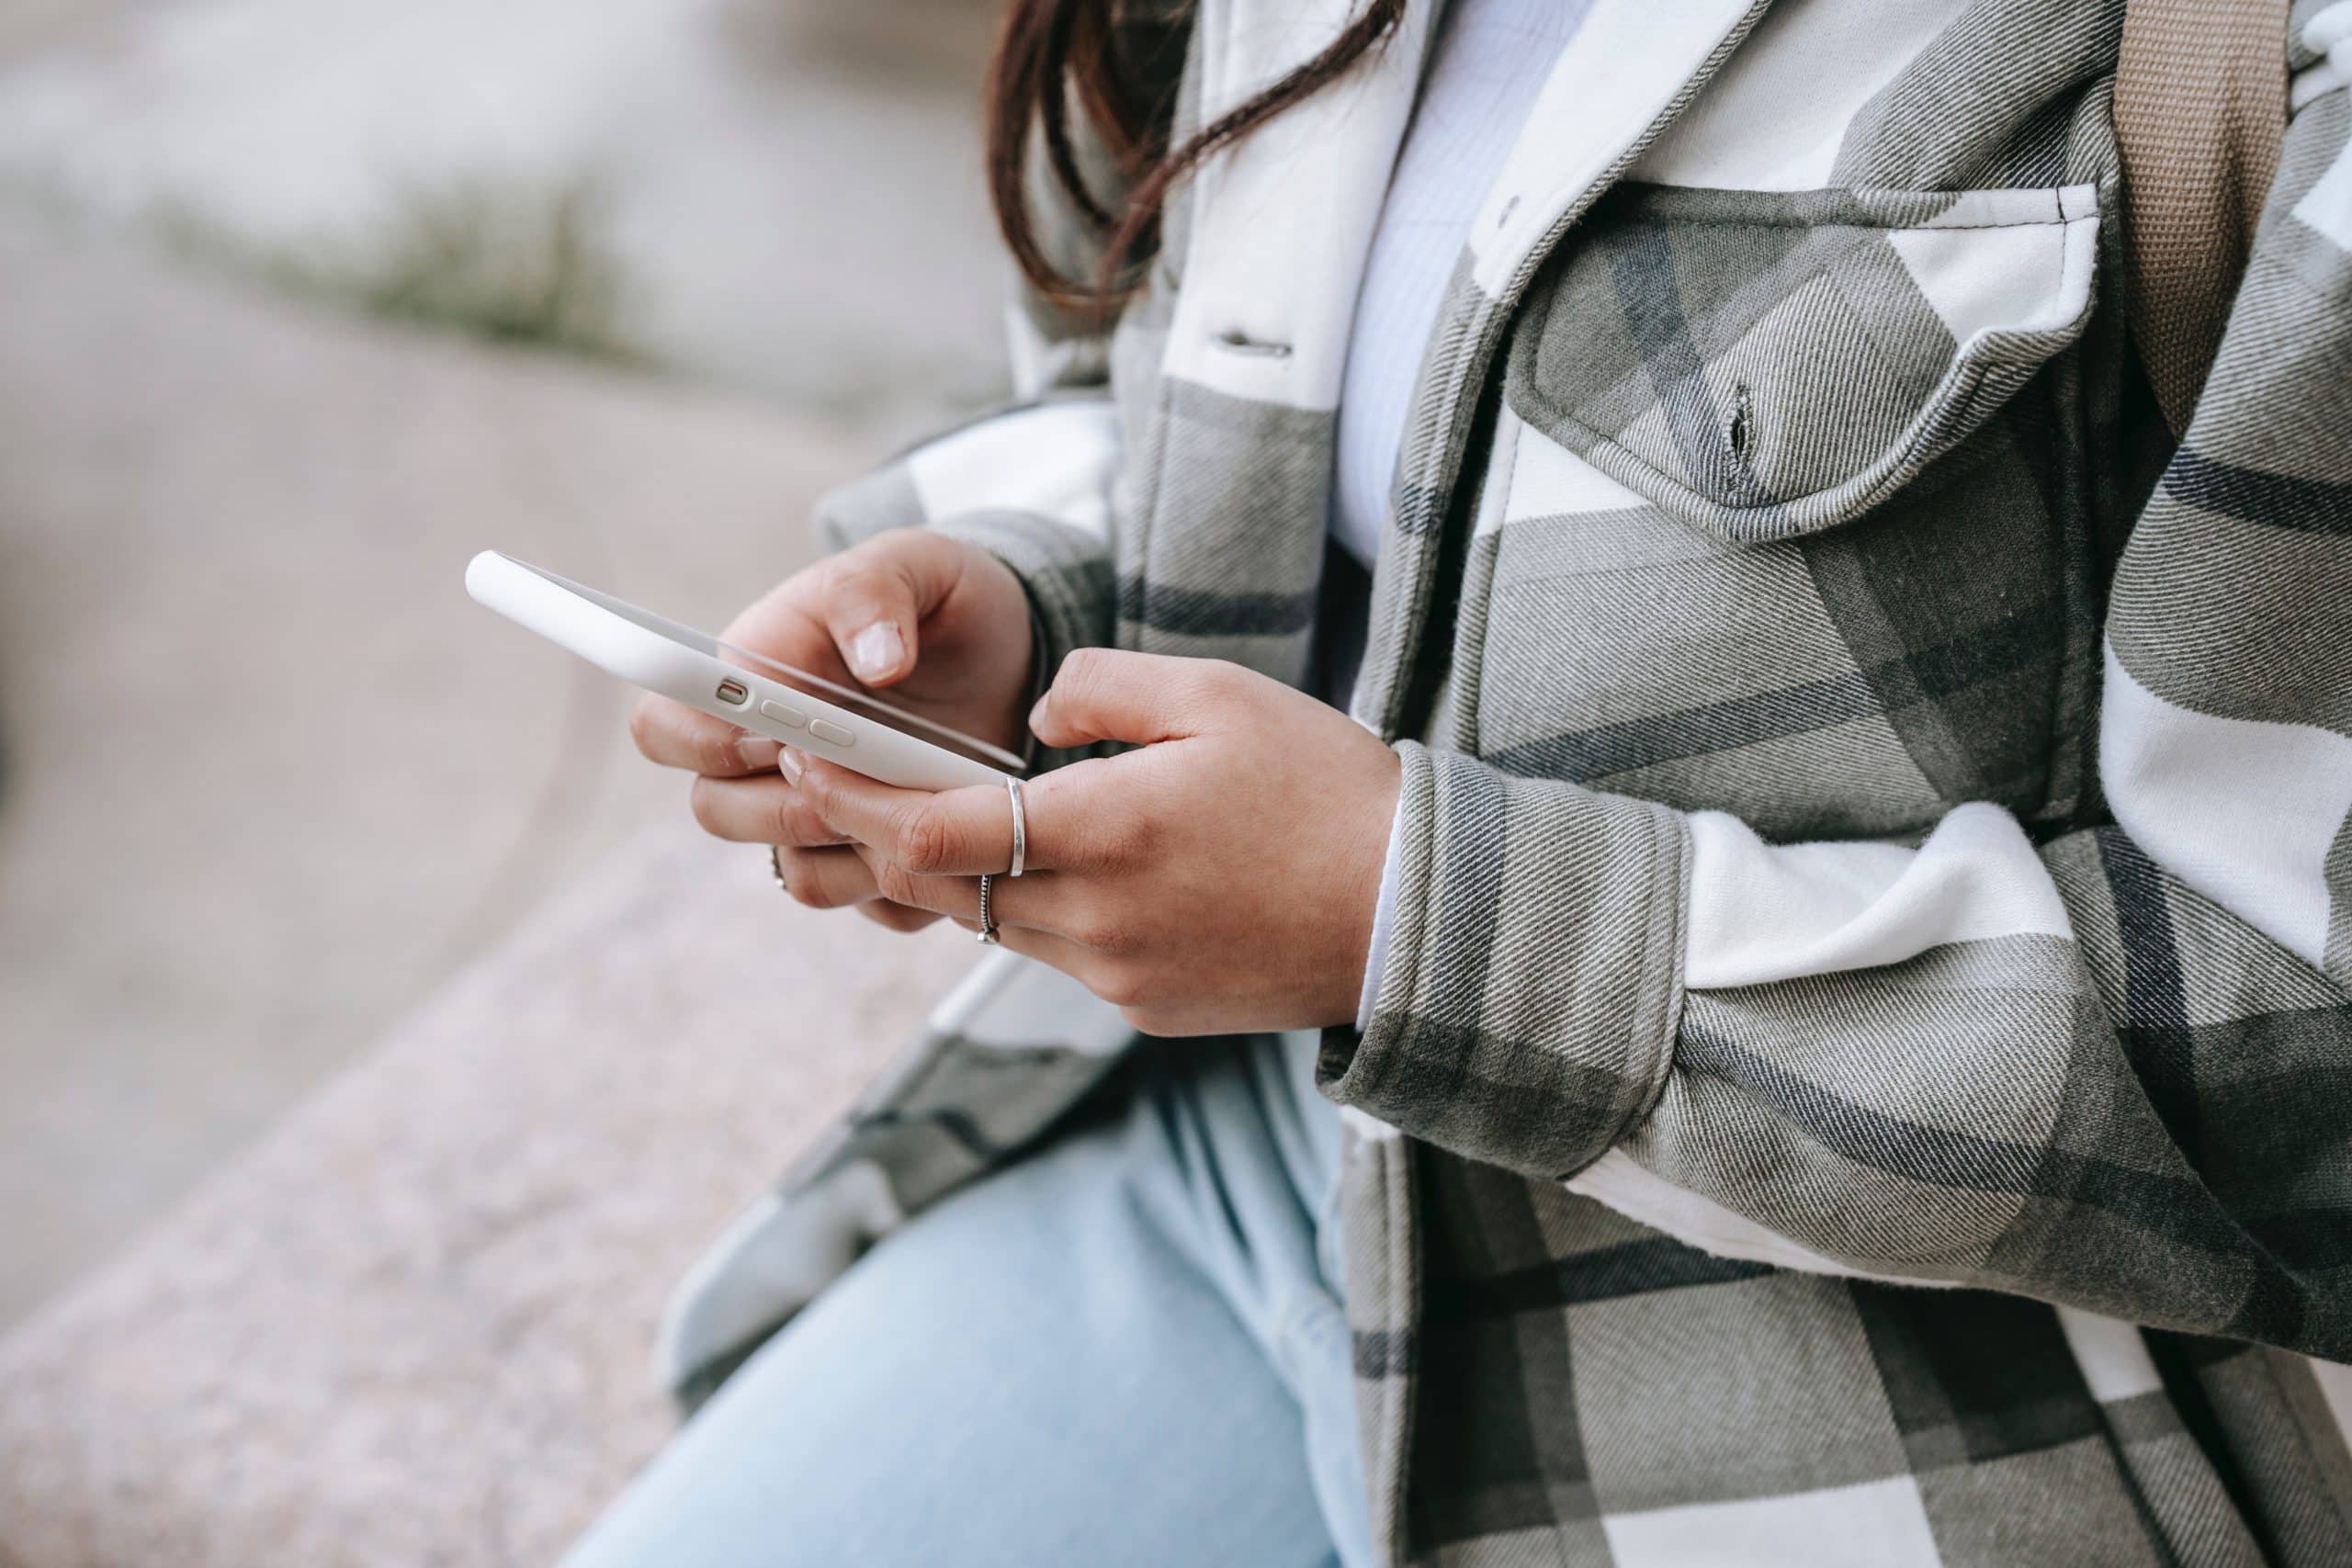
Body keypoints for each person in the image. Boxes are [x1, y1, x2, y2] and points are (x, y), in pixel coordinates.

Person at [570, 0, 2352, 1562]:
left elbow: (2309, 1054)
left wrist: (1423, 927)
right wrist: (1022, 602)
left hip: (1900, 1415)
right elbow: (1120, 346)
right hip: (1240, 1175)